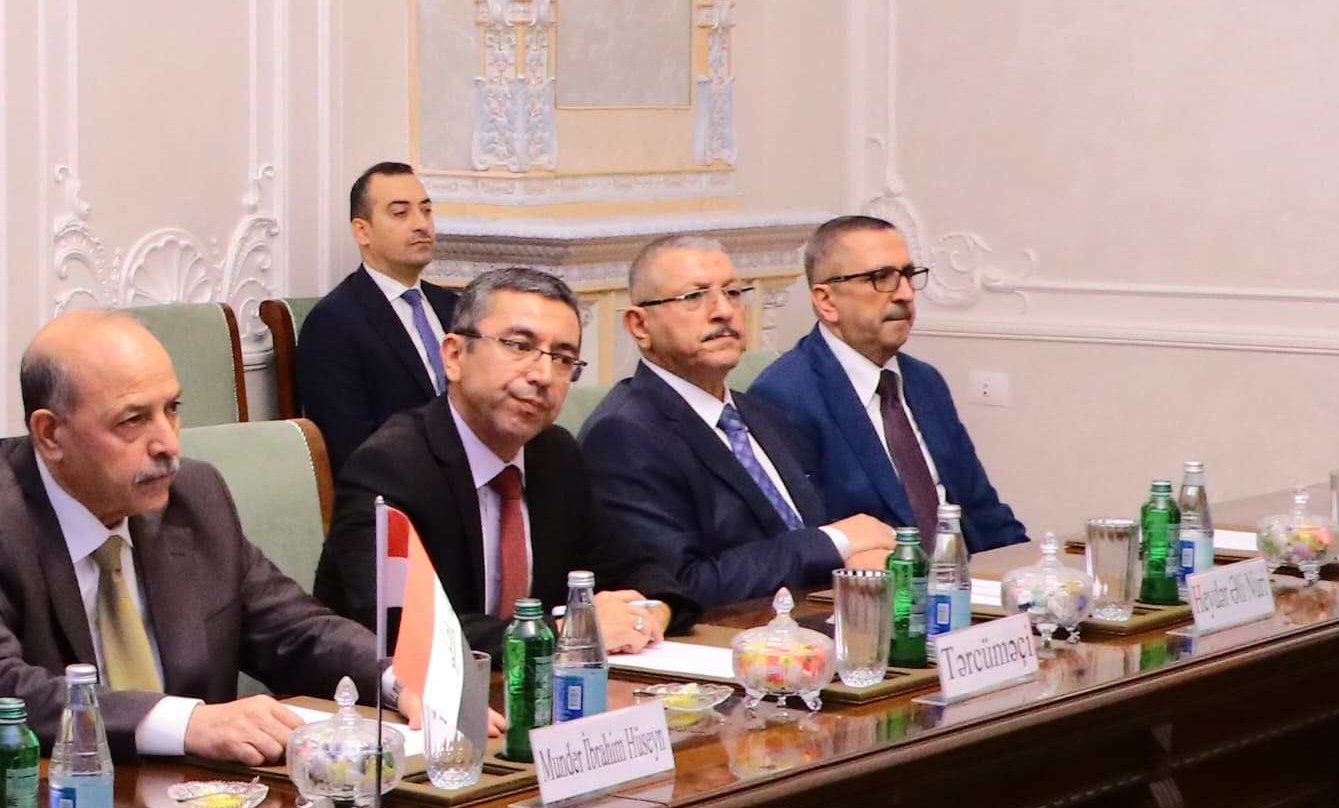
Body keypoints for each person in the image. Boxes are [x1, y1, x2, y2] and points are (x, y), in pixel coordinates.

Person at [0, 308, 391, 763]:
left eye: (172, 409)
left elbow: (296, 632)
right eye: (133, 420)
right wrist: (186, 723)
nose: (167, 443)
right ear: (50, 434)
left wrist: (398, 679)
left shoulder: (194, 496)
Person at [315, 267, 686, 646]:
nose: (543, 375)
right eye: (519, 346)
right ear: (454, 356)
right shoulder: (389, 468)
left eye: (562, 358)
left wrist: (652, 613)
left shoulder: (554, 455)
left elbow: (642, 573)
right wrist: (566, 631)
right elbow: (401, 631)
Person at [579, 234, 899, 613]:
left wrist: (856, 557)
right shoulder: (624, 434)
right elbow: (679, 586)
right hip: (724, 637)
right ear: (639, 326)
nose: (723, 311)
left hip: (817, 620)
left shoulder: (759, 414)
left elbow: (811, 531)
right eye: (694, 297)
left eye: (732, 293)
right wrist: (834, 543)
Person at [746, 215, 1031, 546]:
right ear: (827, 301)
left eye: (908, 275)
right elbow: (808, 543)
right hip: (880, 576)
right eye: (881, 278)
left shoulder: (924, 382)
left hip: (965, 572)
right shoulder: (784, 397)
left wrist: (1028, 570)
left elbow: (983, 511)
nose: (905, 294)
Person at [285, 162, 463, 477]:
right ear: (362, 231)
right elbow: (351, 451)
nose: (421, 224)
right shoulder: (332, 325)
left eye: (426, 211)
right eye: (401, 213)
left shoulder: (454, 307)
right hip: (400, 492)